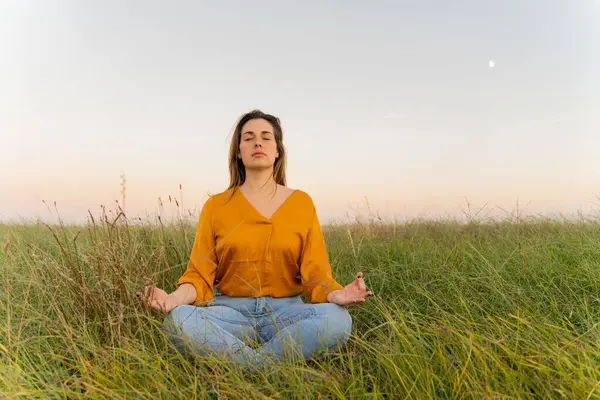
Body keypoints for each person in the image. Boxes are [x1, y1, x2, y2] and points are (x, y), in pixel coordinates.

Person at [137, 109, 373, 370]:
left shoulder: (301, 203)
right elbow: (198, 275)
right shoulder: (216, 206)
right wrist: (172, 300)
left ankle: (245, 364)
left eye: (266, 137)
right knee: (177, 320)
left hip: (286, 315)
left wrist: (337, 294)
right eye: (248, 138)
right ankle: (270, 365)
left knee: (339, 320)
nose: (257, 143)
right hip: (229, 314)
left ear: (277, 151)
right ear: (238, 151)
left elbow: (315, 275)